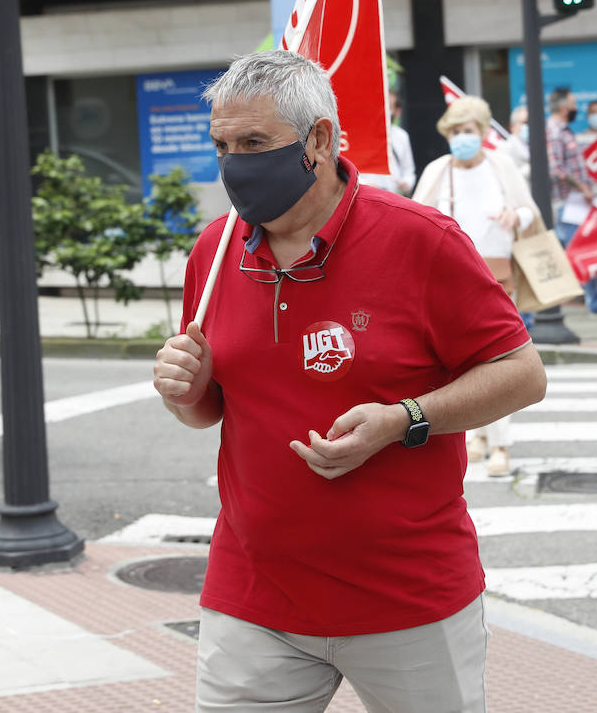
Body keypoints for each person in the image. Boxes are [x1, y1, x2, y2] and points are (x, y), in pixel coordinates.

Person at [152, 50, 545, 711]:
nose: (234, 164)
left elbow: (522, 374)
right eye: (222, 146)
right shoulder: (215, 250)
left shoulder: (421, 240)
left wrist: (403, 419)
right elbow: (207, 410)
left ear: (319, 140)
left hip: (408, 600)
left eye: (253, 143)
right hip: (254, 596)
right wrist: (183, 390)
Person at [413, 94, 541, 476]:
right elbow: (416, 217)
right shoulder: (438, 170)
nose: (460, 138)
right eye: (454, 131)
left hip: (496, 271)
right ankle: (480, 435)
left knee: (498, 359)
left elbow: (529, 210)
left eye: (467, 130)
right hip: (447, 276)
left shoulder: (501, 165)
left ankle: (500, 443)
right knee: (461, 362)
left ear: (482, 131)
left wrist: (514, 215)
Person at [546, 87, 597, 313]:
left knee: (576, 251)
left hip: (576, 203)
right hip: (567, 203)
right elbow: (556, 169)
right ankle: (595, 301)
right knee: (577, 251)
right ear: (564, 107)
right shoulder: (554, 131)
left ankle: (593, 300)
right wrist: (582, 187)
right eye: (573, 104)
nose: (575, 108)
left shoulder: (563, 130)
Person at [358, 88, 415, 196]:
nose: (383, 110)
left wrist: (406, 183)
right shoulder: (360, 134)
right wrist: (364, 184)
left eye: (388, 107)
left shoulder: (402, 136)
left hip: (391, 196)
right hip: (365, 195)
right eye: (380, 105)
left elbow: (409, 171)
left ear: (398, 111)